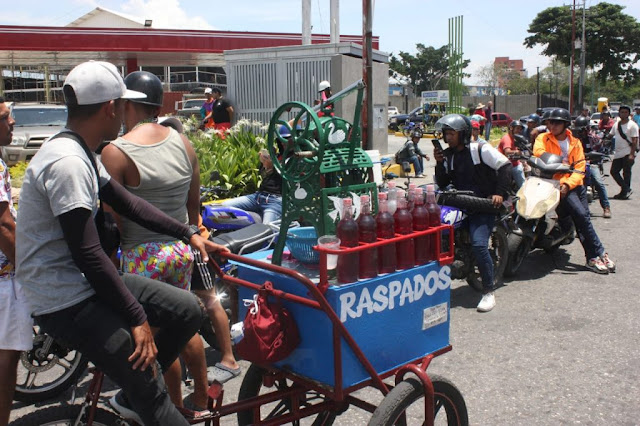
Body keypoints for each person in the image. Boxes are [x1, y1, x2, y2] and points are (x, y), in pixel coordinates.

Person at [15, 61, 226, 426]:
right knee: (158, 402)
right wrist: (137, 317)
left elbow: (129, 203)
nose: (125, 114)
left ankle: (134, 389)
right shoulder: (67, 162)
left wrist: (187, 232)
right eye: (123, 106)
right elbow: (89, 253)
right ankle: (142, 389)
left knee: (189, 310)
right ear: (111, 107)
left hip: (82, 285)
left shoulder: (82, 150)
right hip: (63, 299)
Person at [100, 71, 219, 413]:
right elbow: (192, 207)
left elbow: (114, 225)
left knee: (156, 337)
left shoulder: (116, 151)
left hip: (142, 256)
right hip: (181, 250)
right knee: (185, 326)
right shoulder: (183, 142)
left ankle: (171, 410)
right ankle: (199, 398)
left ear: (127, 104)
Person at [434, 114, 512, 312]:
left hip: (483, 205)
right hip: (460, 204)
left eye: (452, 133)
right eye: (446, 133)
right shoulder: (449, 156)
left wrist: (499, 194)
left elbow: (505, 166)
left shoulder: (480, 149)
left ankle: (488, 291)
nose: (448, 137)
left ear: (463, 134)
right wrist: (438, 163)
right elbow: (443, 183)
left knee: (478, 244)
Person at [532, 108, 615, 274]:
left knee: (582, 218)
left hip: (572, 186)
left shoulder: (575, 143)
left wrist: (567, 184)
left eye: (556, 122)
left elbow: (579, 168)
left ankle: (594, 256)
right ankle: (598, 253)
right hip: (550, 183)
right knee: (582, 218)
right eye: (550, 122)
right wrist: (561, 170)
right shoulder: (543, 138)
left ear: (565, 124)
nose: (552, 125)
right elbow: (539, 154)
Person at [0, 98, 32, 426]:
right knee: (6, 361)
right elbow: (4, 225)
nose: (11, 123)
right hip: (4, 280)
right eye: (5, 117)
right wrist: (29, 267)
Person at [223, 147, 283, 223]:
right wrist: (264, 162)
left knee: (267, 230)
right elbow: (264, 175)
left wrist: (272, 165)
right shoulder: (276, 157)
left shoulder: (292, 160)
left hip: (274, 201)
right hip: (258, 197)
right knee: (224, 206)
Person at [572, 115, 611, 218]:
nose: (579, 132)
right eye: (577, 130)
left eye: (581, 130)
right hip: (576, 164)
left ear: (587, 128)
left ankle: (606, 207)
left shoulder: (594, 138)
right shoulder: (572, 139)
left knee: (599, 182)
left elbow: (600, 151)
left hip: (591, 163)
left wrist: (592, 159)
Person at [609, 105, 638, 200]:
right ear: (619, 113)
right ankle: (626, 189)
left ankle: (624, 192)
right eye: (622, 112)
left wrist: (631, 154)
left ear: (629, 114)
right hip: (618, 153)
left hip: (628, 152)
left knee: (626, 173)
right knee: (614, 171)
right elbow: (610, 135)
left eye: (626, 112)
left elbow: (634, 141)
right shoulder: (616, 124)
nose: (624, 114)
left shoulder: (632, 125)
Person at [497, 120, 526, 190]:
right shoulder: (507, 139)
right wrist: (517, 152)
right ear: (511, 128)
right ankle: (523, 191)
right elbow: (507, 152)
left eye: (520, 129)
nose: (519, 131)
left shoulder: (515, 138)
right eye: (517, 128)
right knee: (519, 171)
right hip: (507, 164)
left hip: (513, 161)